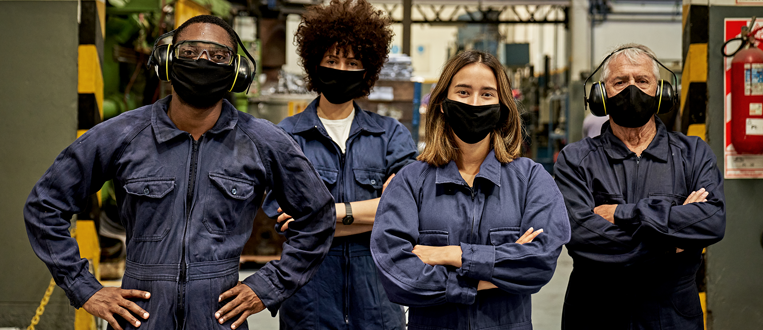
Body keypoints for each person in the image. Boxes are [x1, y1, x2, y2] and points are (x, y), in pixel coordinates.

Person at [24, 15, 336, 330]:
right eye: (189, 52)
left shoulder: (262, 141)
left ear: (236, 72)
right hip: (139, 317)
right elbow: (44, 206)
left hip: (219, 317)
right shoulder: (120, 135)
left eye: (218, 56)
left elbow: (318, 217)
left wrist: (266, 287)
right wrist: (86, 290)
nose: (203, 62)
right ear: (166, 62)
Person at [370, 50, 571, 330]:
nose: (474, 103)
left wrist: (451, 255)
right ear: (442, 103)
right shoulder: (410, 181)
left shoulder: (531, 180)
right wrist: (495, 271)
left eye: (487, 94)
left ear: (502, 106)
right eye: (463, 92)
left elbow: (539, 264)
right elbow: (397, 276)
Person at [260, 0, 417, 328]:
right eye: (332, 59)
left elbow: (405, 211)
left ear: (367, 70)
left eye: (353, 61)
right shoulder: (285, 136)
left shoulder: (391, 135)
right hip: (309, 298)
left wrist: (327, 214)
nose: (342, 69)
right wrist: (370, 214)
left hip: (377, 297)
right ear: (314, 62)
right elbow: (288, 219)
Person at [554, 44, 726, 330]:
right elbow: (581, 237)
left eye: (642, 81)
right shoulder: (576, 158)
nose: (631, 90)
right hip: (595, 315)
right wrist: (673, 243)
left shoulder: (693, 153)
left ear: (661, 92)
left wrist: (623, 214)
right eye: (619, 82)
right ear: (601, 95)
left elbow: (712, 223)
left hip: (672, 317)